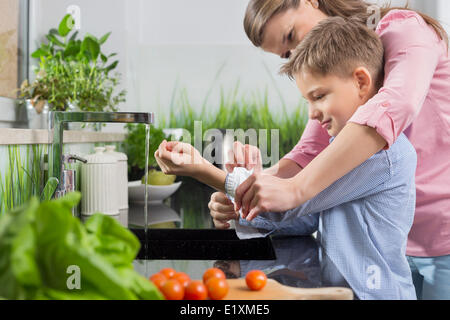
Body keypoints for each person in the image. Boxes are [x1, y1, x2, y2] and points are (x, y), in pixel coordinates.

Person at [155, 16, 417, 299]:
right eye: (307, 101)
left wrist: (204, 171)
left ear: (361, 82)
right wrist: (238, 204)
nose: (311, 114)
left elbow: (292, 205)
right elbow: (305, 219)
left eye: (318, 96)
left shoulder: (382, 155)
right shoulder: (337, 147)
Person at [209, 0, 450, 300]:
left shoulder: (404, 31)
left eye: (290, 36)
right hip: (391, 242)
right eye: (287, 53)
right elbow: (309, 154)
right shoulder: (338, 83)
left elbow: (395, 104)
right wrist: (247, 190)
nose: (296, 52)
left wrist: (292, 190)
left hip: (443, 232)